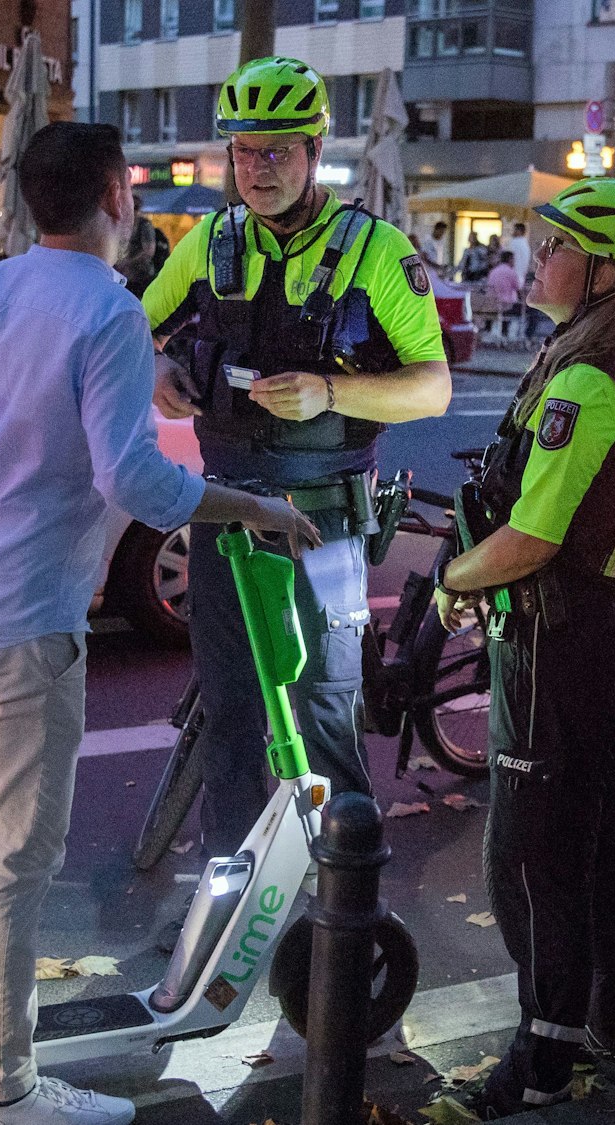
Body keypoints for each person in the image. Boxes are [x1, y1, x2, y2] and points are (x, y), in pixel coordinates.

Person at [0, 122, 318, 1125]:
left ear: (30, 200)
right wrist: (255, 508)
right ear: (117, 196)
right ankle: (3, 1090)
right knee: (15, 865)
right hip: (20, 629)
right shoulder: (105, 313)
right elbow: (134, 477)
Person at [141, 56, 451, 864]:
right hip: (225, 518)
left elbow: (434, 388)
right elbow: (128, 329)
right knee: (233, 706)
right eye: (245, 151)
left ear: (317, 149)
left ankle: (346, 893)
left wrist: (330, 393)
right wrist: (154, 368)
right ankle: (236, 889)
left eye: (278, 149)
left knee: (325, 705)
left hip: (327, 521)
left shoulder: (377, 252)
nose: (258, 168)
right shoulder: (211, 241)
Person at [433, 177, 615, 1116]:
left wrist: (457, 579)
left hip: (560, 642)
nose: (538, 255)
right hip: (606, 629)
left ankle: (542, 1063)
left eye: (558, 242)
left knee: (529, 861)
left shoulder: (587, 375)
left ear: (606, 267)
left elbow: (533, 538)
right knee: (592, 847)